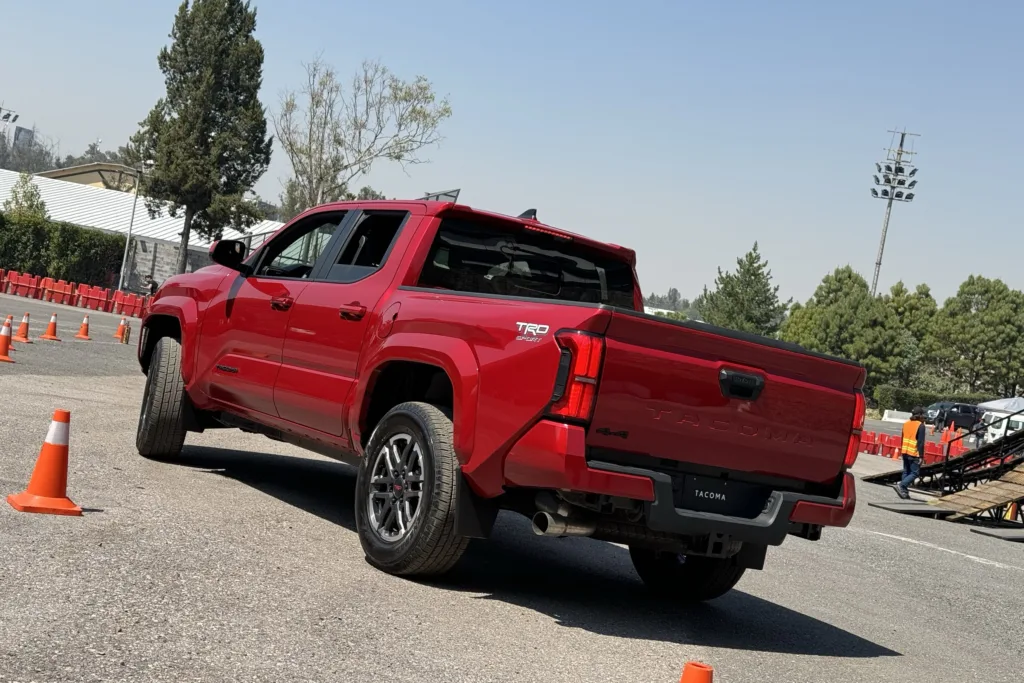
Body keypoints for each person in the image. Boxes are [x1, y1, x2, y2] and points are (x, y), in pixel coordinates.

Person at [894, 406, 927, 499]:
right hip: (914, 453)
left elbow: (902, 438)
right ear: (920, 415)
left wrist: (902, 450)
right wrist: (921, 456)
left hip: (905, 451)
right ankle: (902, 485)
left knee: (906, 471)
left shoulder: (906, 424)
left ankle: (904, 492)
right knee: (915, 473)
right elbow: (920, 442)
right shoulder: (920, 426)